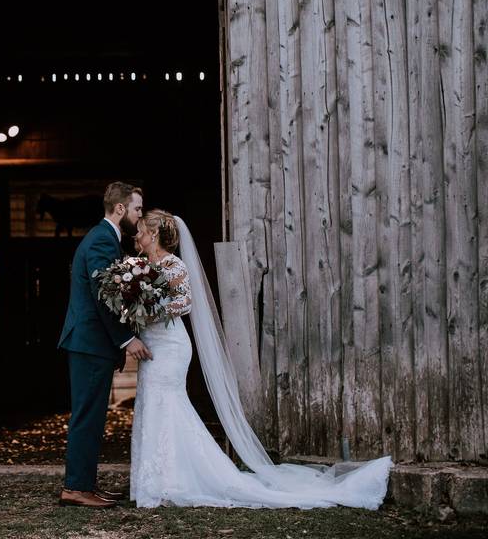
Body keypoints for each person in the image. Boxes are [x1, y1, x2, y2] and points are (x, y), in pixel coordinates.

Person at [130, 209, 393, 509]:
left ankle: (170, 482)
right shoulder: (140, 267)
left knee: (166, 404)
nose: (135, 235)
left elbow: (184, 303)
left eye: (139, 230)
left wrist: (149, 311)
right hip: (152, 344)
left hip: (171, 346)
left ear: (153, 234)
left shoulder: (173, 265)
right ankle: (153, 480)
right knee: (151, 403)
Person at [57, 182, 152, 508]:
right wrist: (126, 339)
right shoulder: (100, 239)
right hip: (89, 343)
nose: (140, 215)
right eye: (138, 208)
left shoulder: (106, 238)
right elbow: (103, 295)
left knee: (93, 416)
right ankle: (76, 488)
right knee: (87, 416)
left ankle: (84, 485)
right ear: (121, 208)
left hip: (92, 344)